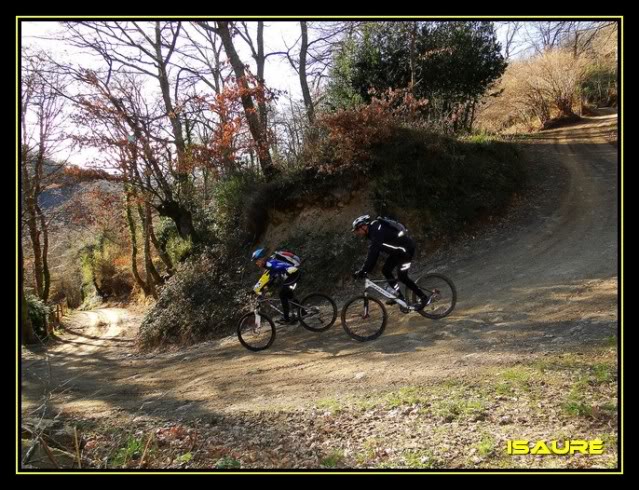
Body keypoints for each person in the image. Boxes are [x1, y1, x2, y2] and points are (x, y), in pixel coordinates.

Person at [351, 215, 431, 311]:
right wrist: (365, 270)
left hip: (406, 251)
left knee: (403, 277)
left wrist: (364, 270)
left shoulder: (376, 229)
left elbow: (373, 252)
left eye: (357, 230)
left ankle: (424, 297)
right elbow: (374, 252)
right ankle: (400, 297)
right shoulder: (373, 231)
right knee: (386, 270)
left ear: (363, 226)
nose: (357, 233)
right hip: (398, 252)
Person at [251, 247, 302, 324]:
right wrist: (266, 286)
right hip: (292, 274)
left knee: (282, 294)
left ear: (261, 259)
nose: (256, 263)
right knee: (289, 295)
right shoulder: (269, 263)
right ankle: (302, 312)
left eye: (257, 261)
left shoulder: (269, 264)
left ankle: (286, 318)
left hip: (293, 274)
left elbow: (272, 274)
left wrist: (262, 286)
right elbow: (271, 276)